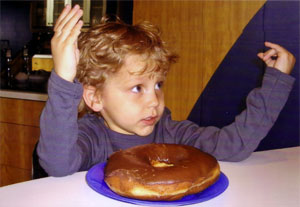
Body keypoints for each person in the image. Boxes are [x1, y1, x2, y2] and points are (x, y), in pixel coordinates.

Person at [37, 5, 296, 176]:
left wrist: (276, 81)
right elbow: (58, 165)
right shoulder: (89, 138)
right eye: (138, 88)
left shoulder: (170, 132)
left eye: (158, 85)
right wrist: (63, 79)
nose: (154, 102)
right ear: (94, 97)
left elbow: (234, 146)